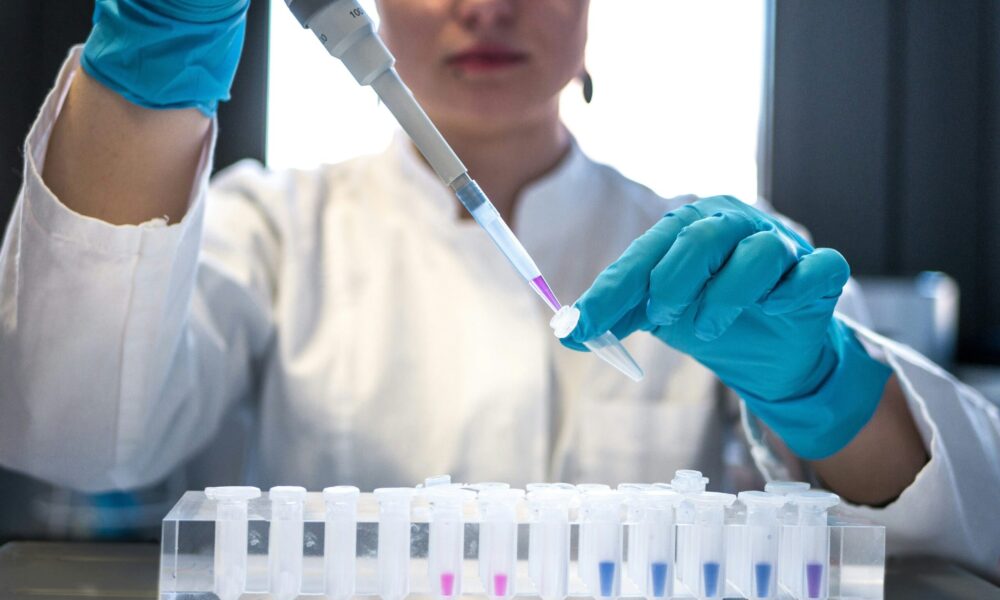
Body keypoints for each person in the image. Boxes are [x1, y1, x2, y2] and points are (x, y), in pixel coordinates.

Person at [0, 0, 997, 581]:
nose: (484, 6)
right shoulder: (269, 228)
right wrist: (146, 81)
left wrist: (823, 389)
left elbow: (950, 537)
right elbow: (75, 433)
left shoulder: (706, 254)